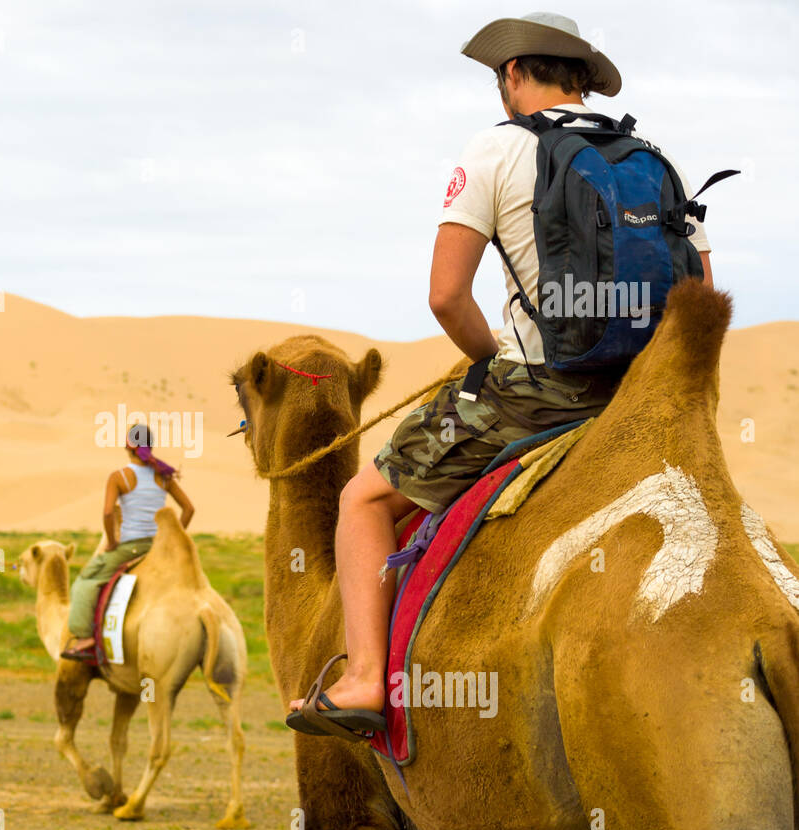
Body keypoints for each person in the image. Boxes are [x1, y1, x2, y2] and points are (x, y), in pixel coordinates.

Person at [287, 12, 714, 734]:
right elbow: (701, 294)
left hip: (541, 394)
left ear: (514, 73)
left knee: (362, 501)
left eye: (500, 76)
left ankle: (363, 680)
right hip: (645, 398)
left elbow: (447, 296)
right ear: (581, 77)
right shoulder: (654, 159)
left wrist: (491, 360)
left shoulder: (496, 150)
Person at [62, 426, 195, 661]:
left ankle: (84, 639)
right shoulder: (162, 476)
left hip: (130, 547)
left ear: (128, 446)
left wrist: (112, 542)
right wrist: (170, 539)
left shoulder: (119, 477)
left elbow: (107, 514)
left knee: (86, 580)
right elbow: (188, 509)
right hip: (156, 548)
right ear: (149, 446)